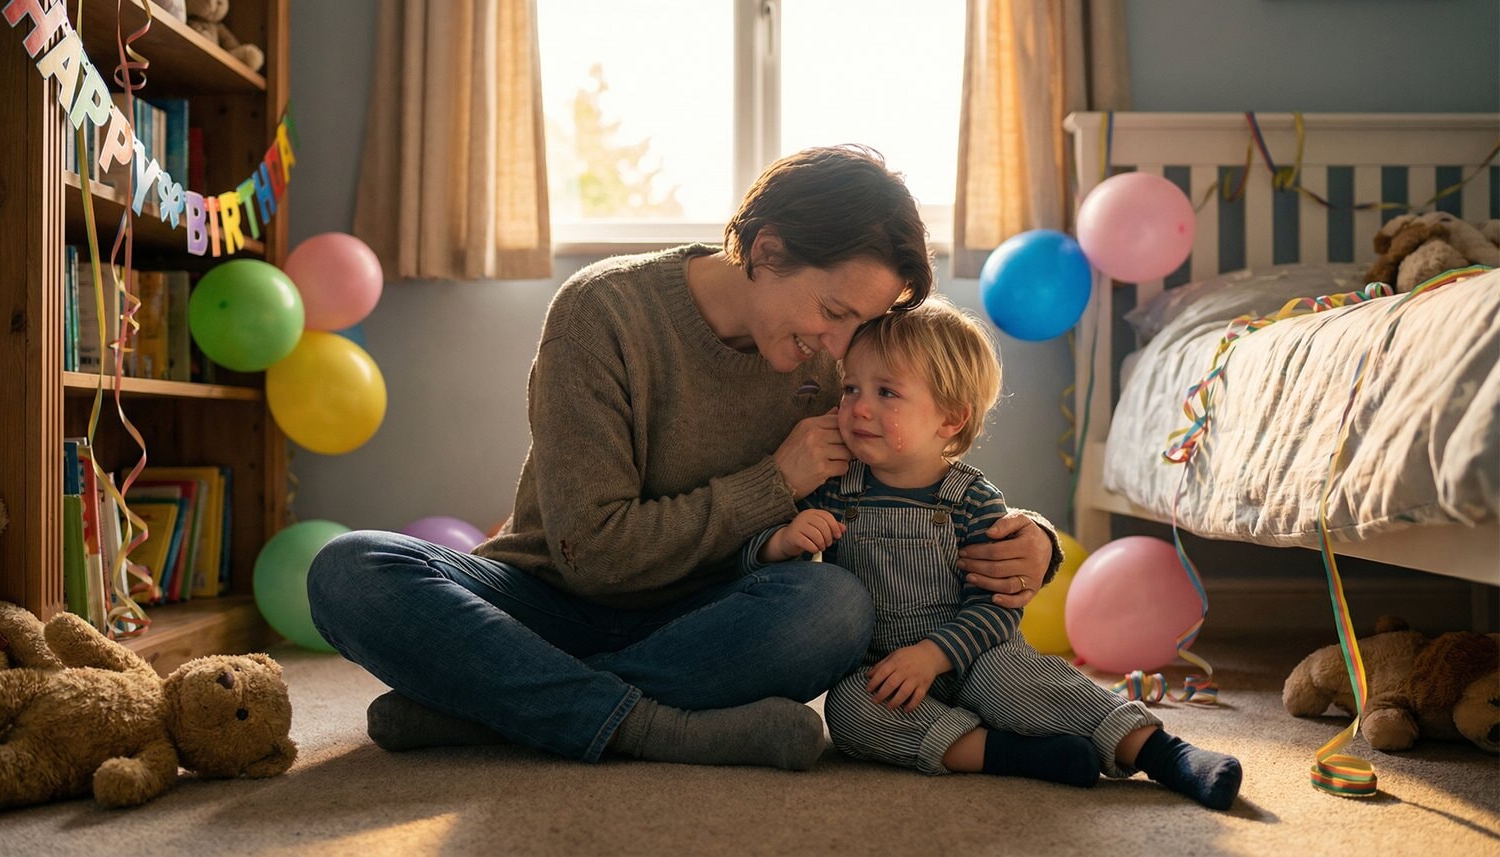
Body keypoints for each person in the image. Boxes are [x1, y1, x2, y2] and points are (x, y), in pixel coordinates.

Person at [307, 145, 1062, 771]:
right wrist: (774, 482)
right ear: (766, 251)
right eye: (834, 313)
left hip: (712, 621)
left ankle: (496, 706)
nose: (839, 349)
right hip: (546, 600)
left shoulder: (838, 362)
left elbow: (920, 464)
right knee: (348, 569)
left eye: (859, 323)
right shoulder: (601, 313)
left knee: (833, 607)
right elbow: (592, 556)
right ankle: (655, 727)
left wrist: (1033, 534)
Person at [741, 298, 1242, 809]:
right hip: (884, 669)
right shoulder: (830, 487)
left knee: (1018, 677)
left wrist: (932, 656)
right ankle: (1016, 755)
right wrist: (782, 542)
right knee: (849, 712)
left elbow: (997, 610)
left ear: (950, 420)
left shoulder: (972, 499)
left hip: (973, 657)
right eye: (851, 388)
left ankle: (1164, 754)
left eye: (886, 392)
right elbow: (769, 579)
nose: (858, 407)